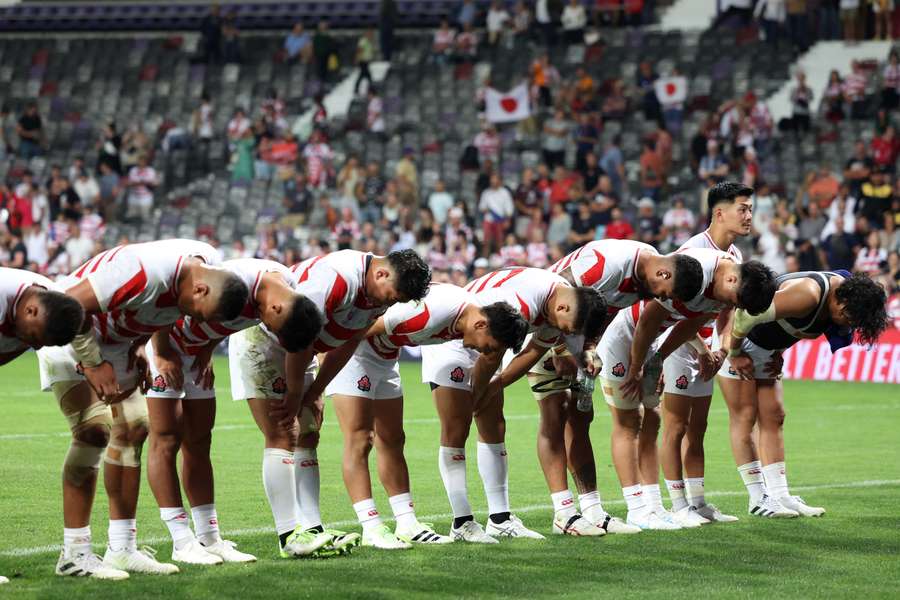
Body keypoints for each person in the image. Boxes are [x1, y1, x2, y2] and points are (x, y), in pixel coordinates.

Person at [37, 240, 249, 579]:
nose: (191, 319)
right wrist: (92, 364)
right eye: (197, 312)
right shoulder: (141, 271)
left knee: (135, 429)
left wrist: (142, 347)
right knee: (94, 431)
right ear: (201, 287)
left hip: (117, 343)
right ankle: (74, 554)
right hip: (71, 334)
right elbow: (68, 304)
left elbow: (164, 310)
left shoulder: (203, 268)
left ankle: (121, 548)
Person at [228, 250, 430, 558]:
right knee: (283, 432)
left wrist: (316, 390)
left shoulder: (375, 297)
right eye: (391, 297)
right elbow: (296, 332)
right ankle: (288, 538)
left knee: (308, 432)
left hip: (303, 350)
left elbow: (348, 343)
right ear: (381, 275)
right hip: (267, 340)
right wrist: (296, 395)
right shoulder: (336, 279)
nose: (389, 304)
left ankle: (311, 529)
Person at [145, 258, 322, 564]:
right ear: (276, 309)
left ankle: (209, 538)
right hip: (165, 349)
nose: (268, 330)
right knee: (166, 440)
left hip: (195, 353)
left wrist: (206, 348)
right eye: (273, 328)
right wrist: (161, 353)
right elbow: (169, 299)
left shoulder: (288, 292)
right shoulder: (235, 279)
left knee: (199, 442)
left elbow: (225, 322)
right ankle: (181, 540)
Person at [327, 284, 528, 548]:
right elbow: (355, 331)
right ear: (481, 326)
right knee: (361, 438)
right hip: (355, 353)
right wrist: (320, 378)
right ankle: (371, 526)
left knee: (393, 439)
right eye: (487, 346)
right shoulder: (428, 315)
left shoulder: (465, 317)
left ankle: (407, 522)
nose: (483, 352)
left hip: (386, 356)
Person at [526, 241, 703, 535]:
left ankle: (593, 510)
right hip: (544, 330)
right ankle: (564, 513)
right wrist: (560, 350)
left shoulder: (642, 278)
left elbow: (602, 312)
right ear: (663, 274)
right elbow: (558, 296)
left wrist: (590, 348)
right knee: (556, 414)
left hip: (577, 337)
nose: (660, 299)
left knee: (582, 417)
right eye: (664, 293)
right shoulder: (606, 264)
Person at [421, 268, 607, 542]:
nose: (564, 334)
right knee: (457, 426)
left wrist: (494, 387)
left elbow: (532, 353)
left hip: (489, 342)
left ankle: (500, 519)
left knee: (494, 424)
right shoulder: (521, 304)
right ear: (564, 308)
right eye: (568, 329)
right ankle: (461, 522)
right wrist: (477, 395)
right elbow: (490, 356)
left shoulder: (557, 304)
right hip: (455, 338)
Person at [602, 248, 776, 529]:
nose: (729, 306)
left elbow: (686, 326)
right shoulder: (698, 270)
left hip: (652, 342)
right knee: (629, 423)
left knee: (653, 420)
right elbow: (647, 320)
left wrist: (657, 358)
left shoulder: (724, 289)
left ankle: (654, 506)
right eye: (733, 301)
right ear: (732, 281)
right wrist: (636, 367)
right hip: (625, 336)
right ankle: (636, 509)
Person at [723, 272, 888, 516]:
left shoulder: (839, 301)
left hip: (766, 349)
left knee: (774, 416)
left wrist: (779, 350)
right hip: (738, 339)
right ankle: (758, 499)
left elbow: (791, 326)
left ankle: (780, 495)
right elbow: (745, 316)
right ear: (840, 301)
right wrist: (734, 353)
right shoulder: (807, 294)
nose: (846, 324)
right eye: (847, 317)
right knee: (745, 417)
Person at [0, 268, 85, 582]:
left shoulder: (48, 307)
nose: (31, 344)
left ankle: (79, 552)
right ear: (30, 311)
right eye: (34, 338)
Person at [479, 174, 514, 256]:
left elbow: (509, 208)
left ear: (499, 181)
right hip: (488, 220)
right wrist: (487, 210)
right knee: (486, 241)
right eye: (492, 180)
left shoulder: (504, 192)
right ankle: (485, 259)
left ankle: (500, 259)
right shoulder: (486, 193)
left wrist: (507, 220)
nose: (493, 182)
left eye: (495, 180)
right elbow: (481, 207)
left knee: (500, 241)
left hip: (500, 220)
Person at [354, 29, 376, 96]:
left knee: (363, 75)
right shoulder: (363, 41)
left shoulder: (370, 41)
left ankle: (358, 89)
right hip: (362, 60)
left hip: (366, 61)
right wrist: (357, 59)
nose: (371, 35)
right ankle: (370, 89)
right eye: (369, 34)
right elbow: (359, 50)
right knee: (366, 75)